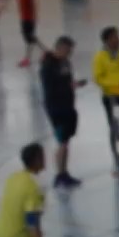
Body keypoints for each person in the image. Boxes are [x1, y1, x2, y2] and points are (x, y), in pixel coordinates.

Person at [39, 36, 87, 189]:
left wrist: (75, 84)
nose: (69, 53)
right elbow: (50, 89)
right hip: (56, 108)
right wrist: (68, 87)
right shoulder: (48, 66)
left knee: (66, 141)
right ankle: (60, 174)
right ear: (60, 48)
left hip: (68, 105)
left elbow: (67, 81)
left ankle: (64, 172)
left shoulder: (66, 63)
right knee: (62, 142)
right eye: (68, 50)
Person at [93, 26, 119, 158]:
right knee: (114, 126)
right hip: (110, 97)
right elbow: (98, 78)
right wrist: (115, 85)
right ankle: (117, 154)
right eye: (115, 37)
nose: (118, 40)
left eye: (118, 36)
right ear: (107, 40)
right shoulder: (100, 57)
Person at [14, 0, 40, 69]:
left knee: (29, 38)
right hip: (23, 16)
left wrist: (35, 15)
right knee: (30, 37)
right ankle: (44, 52)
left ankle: (27, 58)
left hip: (29, 17)